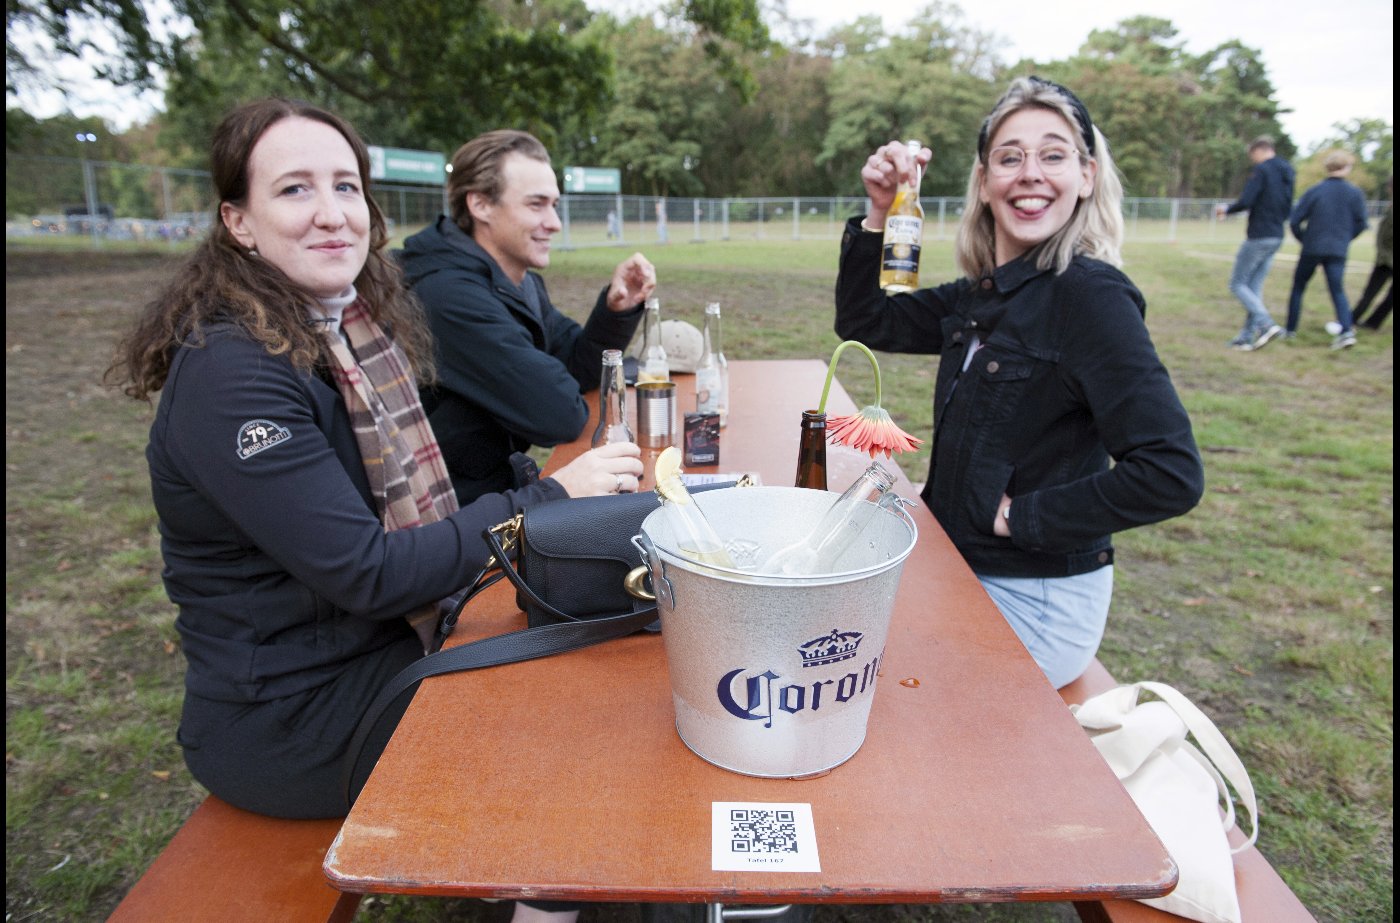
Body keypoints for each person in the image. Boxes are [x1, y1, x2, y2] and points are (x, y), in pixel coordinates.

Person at [106, 98, 644, 901]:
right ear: (238, 221)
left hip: (379, 645)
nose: (331, 214)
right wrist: (551, 495)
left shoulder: (347, 331)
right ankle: (536, 898)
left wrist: (537, 497)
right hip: (290, 716)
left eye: (347, 187)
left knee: (589, 653)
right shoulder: (233, 373)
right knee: (559, 732)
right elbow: (369, 572)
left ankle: (542, 887)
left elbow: (420, 520)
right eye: (294, 190)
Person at [834, 76, 1205, 689]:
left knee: (855, 666)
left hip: (1034, 600)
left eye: (1053, 155)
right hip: (960, 563)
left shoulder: (1091, 298)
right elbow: (867, 321)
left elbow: (1172, 473)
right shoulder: (989, 293)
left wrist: (1019, 518)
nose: (1030, 172)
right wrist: (878, 211)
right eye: (1010, 157)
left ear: (1086, 176)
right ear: (985, 183)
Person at [400, 130, 656, 504]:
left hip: (493, 494)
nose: (554, 222)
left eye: (554, 204)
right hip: (450, 517)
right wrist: (551, 377)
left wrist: (617, 309)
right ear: (480, 205)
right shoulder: (448, 297)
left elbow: (579, 365)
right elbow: (559, 414)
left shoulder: (518, 283)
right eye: (536, 205)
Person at [1214, 137, 1295, 351]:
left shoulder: (1262, 171)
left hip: (1259, 235)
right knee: (1253, 287)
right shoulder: (1287, 170)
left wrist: (1226, 210)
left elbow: (1247, 200)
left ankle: (1266, 324)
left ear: (1258, 151)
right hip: (1277, 234)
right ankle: (1246, 336)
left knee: (1237, 284)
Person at [1285, 149, 1369, 349]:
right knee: (1337, 290)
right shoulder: (1354, 193)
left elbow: (1295, 220)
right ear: (1346, 167)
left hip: (1313, 246)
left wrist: (1305, 239)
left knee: (1298, 287)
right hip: (1337, 248)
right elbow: (1361, 223)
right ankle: (1346, 330)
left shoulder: (1315, 190)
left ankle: (1290, 329)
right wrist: (1345, 238)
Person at [1352, 175, 1392, 331]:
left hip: (1386, 259)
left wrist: (1383, 253)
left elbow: (1386, 236)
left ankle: (1355, 319)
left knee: (1371, 292)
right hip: (1386, 257)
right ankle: (1372, 322)